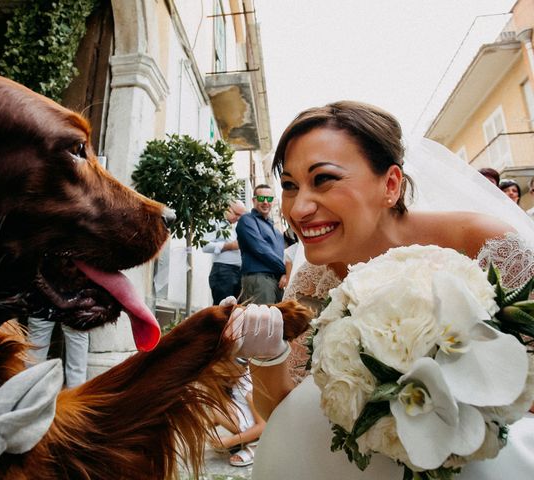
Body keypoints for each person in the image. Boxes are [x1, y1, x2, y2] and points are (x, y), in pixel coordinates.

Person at [224, 101, 534, 479]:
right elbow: (287, 417)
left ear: (390, 184)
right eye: (289, 186)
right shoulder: (313, 280)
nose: (298, 208)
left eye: (323, 179)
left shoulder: (482, 243)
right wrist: (268, 357)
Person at [209, 358, 266, 467]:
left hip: (264, 429)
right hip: (249, 418)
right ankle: (243, 439)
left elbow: (263, 425)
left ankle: (256, 444)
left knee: (217, 408)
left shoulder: (249, 388)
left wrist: (230, 441)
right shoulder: (234, 377)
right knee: (216, 405)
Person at [236, 184, 286, 304]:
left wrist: (285, 273)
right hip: (259, 279)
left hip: (277, 282)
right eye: (261, 198)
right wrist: (285, 270)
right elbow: (261, 249)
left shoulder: (277, 232)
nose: (265, 202)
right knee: (260, 320)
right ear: (254, 200)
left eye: (269, 199)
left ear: (273, 201)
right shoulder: (247, 220)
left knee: (278, 321)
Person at [27, 310, 89, 388]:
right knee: (77, 336)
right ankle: (76, 394)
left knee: (38, 339)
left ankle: (32, 393)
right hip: (77, 301)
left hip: (43, 303)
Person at [202, 200, 246, 304]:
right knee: (222, 309)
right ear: (227, 208)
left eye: (241, 216)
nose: (239, 218)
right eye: (236, 214)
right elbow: (205, 245)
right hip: (223, 271)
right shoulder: (214, 222)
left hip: (240, 271)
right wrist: (229, 246)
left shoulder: (238, 225)